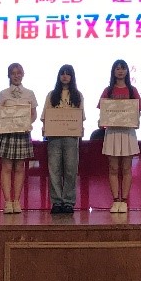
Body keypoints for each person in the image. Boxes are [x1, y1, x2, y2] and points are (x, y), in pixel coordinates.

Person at [0, 62, 38, 214]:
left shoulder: (29, 93)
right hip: (7, 135)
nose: (16, 76)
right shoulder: (3, 93)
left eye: (19, 73)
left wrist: (27, 123)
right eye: (13, 73)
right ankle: (7, 202)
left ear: (23, 75)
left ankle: (16, 201)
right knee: (6, 168)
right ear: (9, 76)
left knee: (19, 168)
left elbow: (33, 114)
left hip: (22, 134)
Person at [99, 59, 141, 214]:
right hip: (112, 133)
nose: (120, 71)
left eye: (123, 68)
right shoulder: (108, 91)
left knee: (126, 168)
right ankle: (115, 200)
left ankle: (124, 200)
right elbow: (103, 112)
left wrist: (135, 120)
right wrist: (101, 121)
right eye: (117, 68)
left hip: (128, 133)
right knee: (113, 168)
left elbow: (137, 112)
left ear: (127, 71)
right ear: (113, 71)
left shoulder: (132, 90)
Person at [42, 64, 84, 215]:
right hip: (54, 137)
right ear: (59, 76)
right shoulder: (51, 95)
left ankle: (68, 202)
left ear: (72, 77)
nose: (65, 76)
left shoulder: (77, 95)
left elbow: (81, 117)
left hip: (71, 137)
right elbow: (45, 116)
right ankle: (57, 202)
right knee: (54, 170)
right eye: (62, 74)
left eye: (68, 74)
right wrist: (45, 129)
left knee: (71, 170)